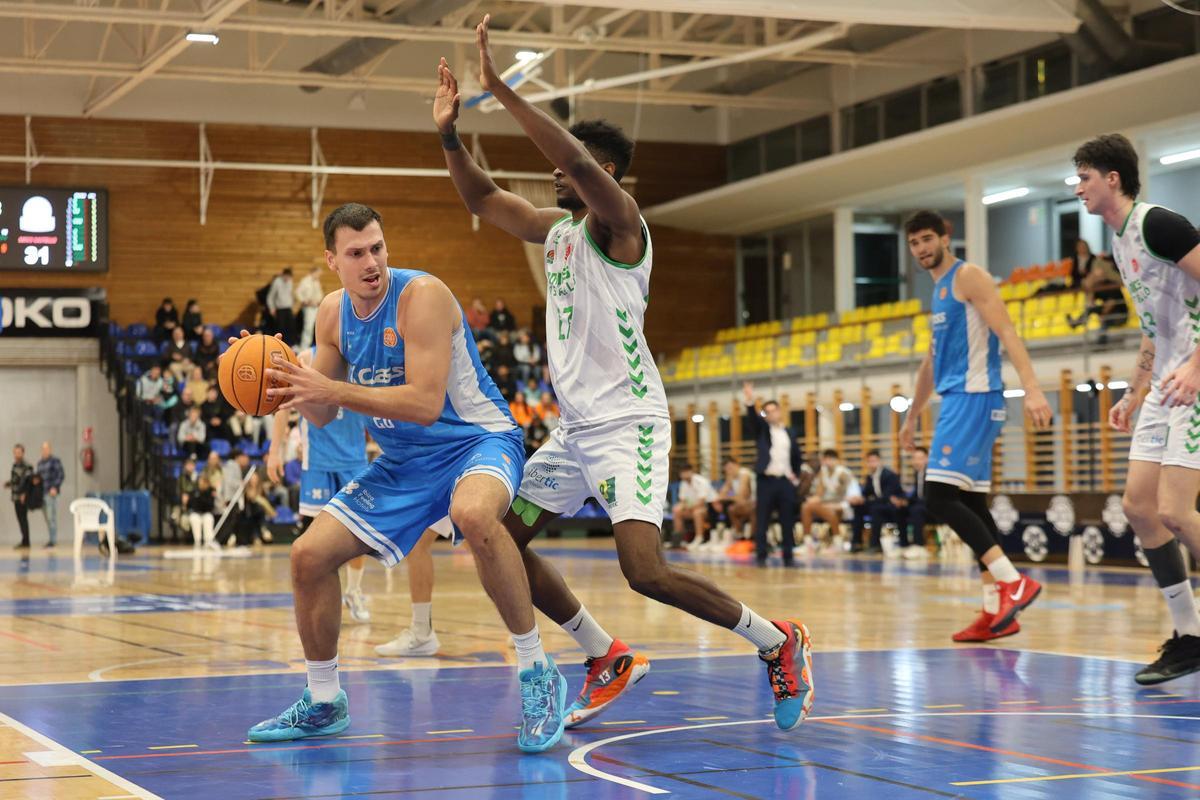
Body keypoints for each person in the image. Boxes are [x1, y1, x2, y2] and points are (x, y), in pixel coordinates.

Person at [436, 19, 813, 736]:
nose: (558, 175)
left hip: (630, 422)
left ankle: (776, 641)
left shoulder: (624, 227)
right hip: (576, 428)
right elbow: (484, 202)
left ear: (610, 177)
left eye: (579, 168)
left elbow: (575, 163)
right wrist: (451, 135)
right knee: (502, 541)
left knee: (645, 570)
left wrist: (503, 91)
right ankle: (602, 654)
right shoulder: (557, 234)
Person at [245, 202, 558, 753]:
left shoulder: (422, 296)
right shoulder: (332, 314)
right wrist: (281, 379)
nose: (371, 262)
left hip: (475, 441)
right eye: (356, 253)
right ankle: (323, 701)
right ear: (331, 261)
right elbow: (320, 412)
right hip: (403, 462)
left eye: (377, 248)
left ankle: (537, 674)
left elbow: (424, 402)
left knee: (473, 514)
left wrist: (330, 390)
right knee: (307, 556)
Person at [1076, 133, 1200, 685]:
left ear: (1112, 179)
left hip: (1195, 378)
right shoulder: (1119, 245)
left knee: (1176, 511)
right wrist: (1134, 390)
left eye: (1083, 177)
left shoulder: (1158, 224)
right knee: (1139, 508)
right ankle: (1190, 636)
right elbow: (1155, 328)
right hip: (1165, 384)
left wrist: (1195, 366)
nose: (1078, 187)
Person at [899, 209, 1052, 643]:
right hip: (957, 399)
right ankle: (994, 613)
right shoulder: (939, 291)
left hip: (976, 397)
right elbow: (931, 363)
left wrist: (1033, 388)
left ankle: (1012, 582)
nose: (922, 248)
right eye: (914, 243)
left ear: (946, 237)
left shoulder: (969, 277)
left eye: (928, 238)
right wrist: (911, 416)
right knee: (974, 506)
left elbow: (1008, 332)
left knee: (938, 497)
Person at [742, 382, 803, 565]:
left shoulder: (789, 432)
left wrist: (796, 476)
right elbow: (753, 419)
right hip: (766, 481)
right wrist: (750, 401)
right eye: (766, 411)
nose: (771, 414)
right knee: (763, 519)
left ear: (779, 411)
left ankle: (788, 556)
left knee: (787, 520)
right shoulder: (762, 430)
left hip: (785, 482)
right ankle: (761, 555)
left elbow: (796, 456)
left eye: (773, 410)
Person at [851, 450, 905, 555]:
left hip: (891, 506)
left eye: (874, 461)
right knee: (858, 507)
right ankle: (856, 542)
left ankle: (874, 544)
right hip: (878, 504)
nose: (872, 464)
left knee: (876, 510)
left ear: (880, 461)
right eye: (869, 461)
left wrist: (867, 500)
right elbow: (867, 493)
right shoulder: (870, 477)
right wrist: (859, 499)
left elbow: (887, 496)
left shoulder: (889, 475)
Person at [801, 449, 854, 548]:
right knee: (806, 506)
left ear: (837, 460)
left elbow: (849, 495)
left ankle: (837, 541)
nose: (828, 462)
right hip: (826, 504)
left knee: (830, 510)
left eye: (831, 459)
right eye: (826, 459)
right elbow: (819, 493)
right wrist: (814, 499)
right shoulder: (823, 472)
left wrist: (836, 504)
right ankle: (808, 542)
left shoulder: (843, 473)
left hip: (842, 504)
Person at [896, 445, 932, 559]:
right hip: (921, 505)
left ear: (927, 459)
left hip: (934, 507)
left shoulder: (931, 473)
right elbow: (917, 494)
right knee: (900, 509)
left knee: (916, 510)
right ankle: (904, 544)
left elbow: (930, 497)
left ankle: (919, 546)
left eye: (920, 458)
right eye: (915, 458)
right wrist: (905, 501)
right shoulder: (918, 473)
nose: (917, 461)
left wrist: (913, 503)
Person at [671, 464, 717, 549]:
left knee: (697, 512)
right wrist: (679, 507)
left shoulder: (701, 481)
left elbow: (702, 502)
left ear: (691, 472)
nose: (684, 474)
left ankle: (699, 538)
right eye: (682, 473)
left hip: (709, 509)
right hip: (691, 508)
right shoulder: (683, 483)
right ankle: (679, 539)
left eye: (686, 472)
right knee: (677, 511)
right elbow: (683, 501)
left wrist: (688, 507)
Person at [713, 457, 755, 544]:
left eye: (730, 468)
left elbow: (741, 497)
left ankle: (753, 538)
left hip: (756, 503)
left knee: (739, 508)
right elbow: (721, 494)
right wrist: (718, 501)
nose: (729, 471)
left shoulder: (744, 474)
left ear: (737, 465)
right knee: (730, 509)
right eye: (727, 469)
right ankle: (740, 536)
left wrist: (726, 497)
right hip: (743, 504)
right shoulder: (730, 477)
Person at [35, 441, 63, 549]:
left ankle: (53, 541)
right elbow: (38, 477)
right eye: (43, 449)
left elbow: (60, 475)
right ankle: (51, 538)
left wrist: (55, 487)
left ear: (50, 450)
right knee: (47, 518)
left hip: (50, 493)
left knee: (52, 517)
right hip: (42, 494)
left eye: (47, 448)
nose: (45, 450)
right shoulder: (40, 463)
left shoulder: (55, 461)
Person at [6, 445, 33, 549]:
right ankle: (24, 540)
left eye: (19, 452)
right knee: (20, 519)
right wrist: (9, 484)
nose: (17, 454)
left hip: (22, 497)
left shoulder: (26, 465)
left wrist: (24, 494)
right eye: (15, 452)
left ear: (23, 453)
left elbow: (28, 481)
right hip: (15, 496)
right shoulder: (15, 465)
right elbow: (16, 480)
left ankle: (26, 542)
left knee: (23, 519)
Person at [297, 265, 325, 349]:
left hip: (316, 306)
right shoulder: (305, 281)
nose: (319, 275)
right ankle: (304, 347)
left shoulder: (317, 282)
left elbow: (319, 294)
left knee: (318, 326)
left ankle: (315, 346)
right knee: (308, 327)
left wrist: (320, 301)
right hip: (308, 307)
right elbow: (298, 292)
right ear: (314, 272)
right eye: (318, 273)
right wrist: (304, 300)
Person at [187, 474, 217, 548]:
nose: (202, 483)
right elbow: (190, 504)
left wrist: (202, 496)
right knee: (194, 518)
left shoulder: (211, 491)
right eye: (200, 481)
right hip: (196, 513)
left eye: (204, 481)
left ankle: (208, 541)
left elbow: (210, 505)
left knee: (208, 518)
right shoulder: (194, 491)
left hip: (206, 513)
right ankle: (197, 541)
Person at [268, 267, 297, 344]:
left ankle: (290, 344)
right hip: (280, 309)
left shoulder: (290, 281)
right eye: (286, 276)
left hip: (288, 308)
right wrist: (272, 308)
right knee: (280, 328)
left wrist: (293, 303)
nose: (288, 278)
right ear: (283, 275)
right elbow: (270, 296)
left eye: (289, 277)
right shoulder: (277, 282)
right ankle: (278, 343)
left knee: (291, 327)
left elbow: (289, 294)